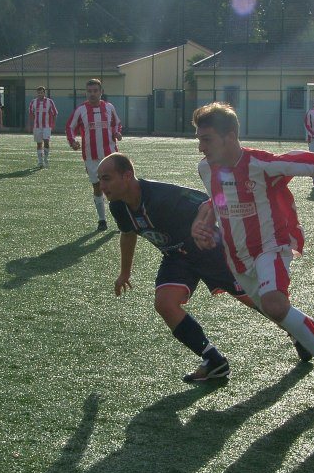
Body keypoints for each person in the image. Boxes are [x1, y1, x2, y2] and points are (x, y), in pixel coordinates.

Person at [190, 102, 314, 398]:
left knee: (276, 305)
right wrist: (201, 226)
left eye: (206, 139)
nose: (200, 147)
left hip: (272, 246)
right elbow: (218, 202)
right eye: (199, 139)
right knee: (276, 310)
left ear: (230, 136)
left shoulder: (261, 164)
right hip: (237, 257)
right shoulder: (206, 168)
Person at [99, 152, 265, 382]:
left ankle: (303, 333)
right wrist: (124, 272)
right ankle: (214, 361)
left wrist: (201, 224)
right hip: (176, 257)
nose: (101, 185)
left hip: (209, 252)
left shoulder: (161, 195)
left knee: (257, 300)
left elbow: (210, 201)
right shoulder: (118, 206)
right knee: (165, 304)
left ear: (127, 176)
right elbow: (128, 234)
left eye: (106, 178)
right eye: (100, 179)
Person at [66, 78, 122, 231]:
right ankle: (102, 220)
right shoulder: (81, 110)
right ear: (86, 92)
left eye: (95, 91)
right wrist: (73, 142)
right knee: (97, 186)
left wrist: (117, 132)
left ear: (101, 92)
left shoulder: (109, 107)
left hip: (110, 155)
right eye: (89, 91)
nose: (92, 94)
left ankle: (120, 219)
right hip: (91, 156)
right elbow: (70, 127)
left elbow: (117, 123)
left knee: (116, 186)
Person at [28, 86, 58, 168]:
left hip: (47, 126)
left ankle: (46, 159)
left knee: (46, 141)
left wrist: (53, 124)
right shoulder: (33, 102)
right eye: (38, 93)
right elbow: (31, 114)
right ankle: (40, 161)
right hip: (37, 126)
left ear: (44, 93)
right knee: (39, 143)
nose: (40, 94)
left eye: (41, 92)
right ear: (37, 93)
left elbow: (55, 113)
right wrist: (30, 125)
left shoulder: (49, 101)